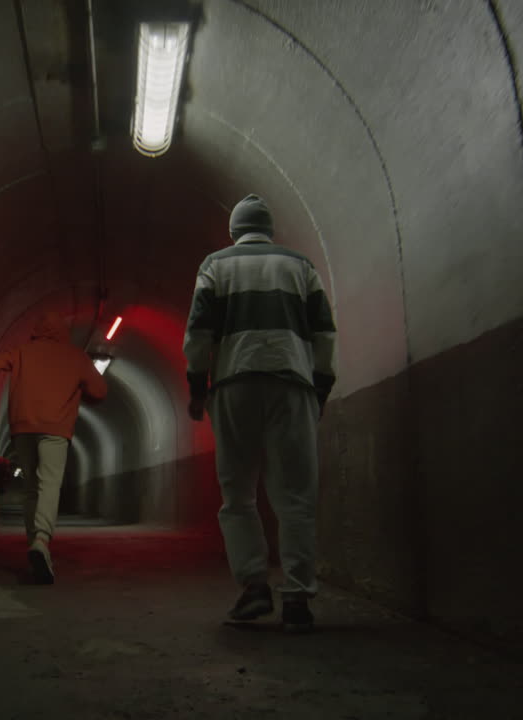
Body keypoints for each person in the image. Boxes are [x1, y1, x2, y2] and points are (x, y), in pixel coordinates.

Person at [182, 194, 337, 633]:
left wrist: (198, 387)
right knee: (295, 495)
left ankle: (253, 588)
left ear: (234, 231)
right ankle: (297, 598)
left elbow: (198, 335)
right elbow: (325, 334)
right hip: (292, 383)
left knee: (238, 493)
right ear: (270, 229)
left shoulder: (215, 265)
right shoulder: (300, 266)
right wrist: (320, 388)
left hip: (234, 383)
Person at [0, 311, 108, 584]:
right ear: (63, 334)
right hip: (55, 430)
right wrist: (79, 391)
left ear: (37, 331)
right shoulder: (76, 356)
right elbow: (100, 391)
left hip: (23, 428)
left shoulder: (22, 351)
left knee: (31, 487)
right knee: (49, 485)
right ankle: (42, 542)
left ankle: (34, 542)